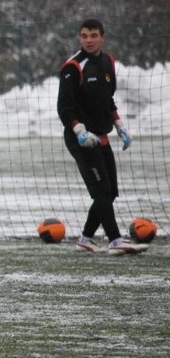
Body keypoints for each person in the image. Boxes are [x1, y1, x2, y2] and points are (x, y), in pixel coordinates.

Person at [57, 19, 148, 255]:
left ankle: (86, 237)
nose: (89, 40)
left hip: (102, 136)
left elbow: (107, 99)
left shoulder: (108, 62)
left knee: (111, 192)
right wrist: (79, 131)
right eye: (84, 35)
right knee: (102, 191)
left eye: (93, 35)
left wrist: (119, 125)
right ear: (80, 38)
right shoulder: (73, 67)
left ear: (102, 37)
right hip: (81, 139)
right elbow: (64, 108)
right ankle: (116, 241)